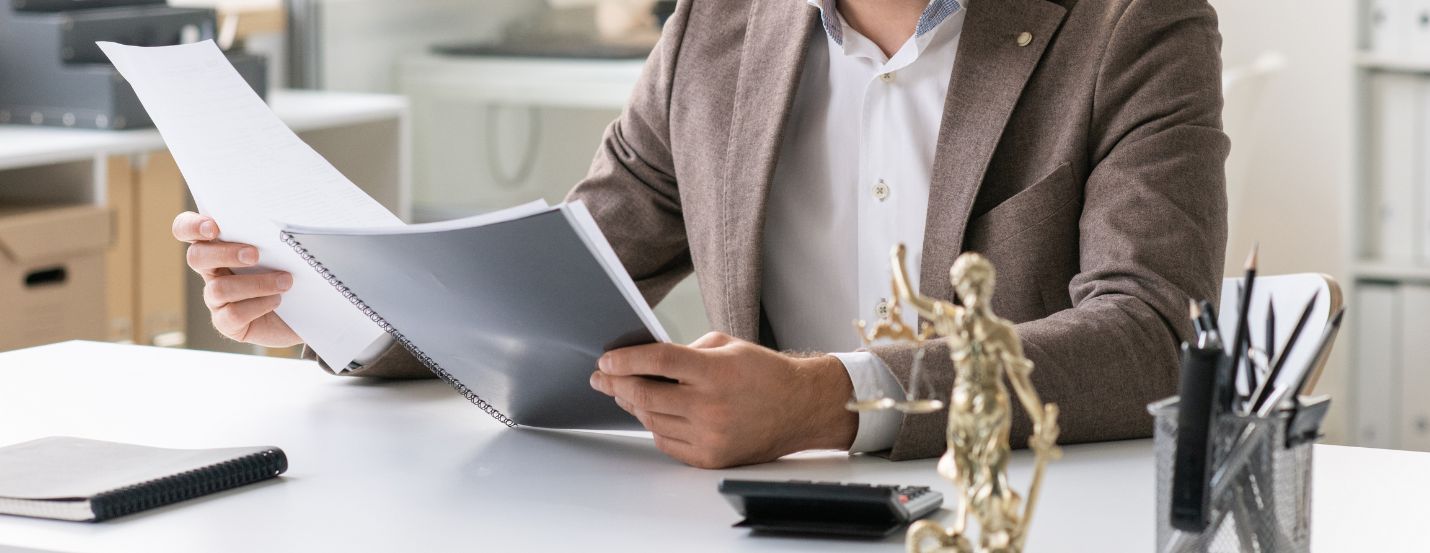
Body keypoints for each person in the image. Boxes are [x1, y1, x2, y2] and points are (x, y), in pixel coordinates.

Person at [172, 0, 1227, 469]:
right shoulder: (714, 27)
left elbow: (1147, 334)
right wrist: (328, 309)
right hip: (759, 516)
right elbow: (564, 271)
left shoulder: (1128, 21)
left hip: (1014, 515)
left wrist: (826, 398)